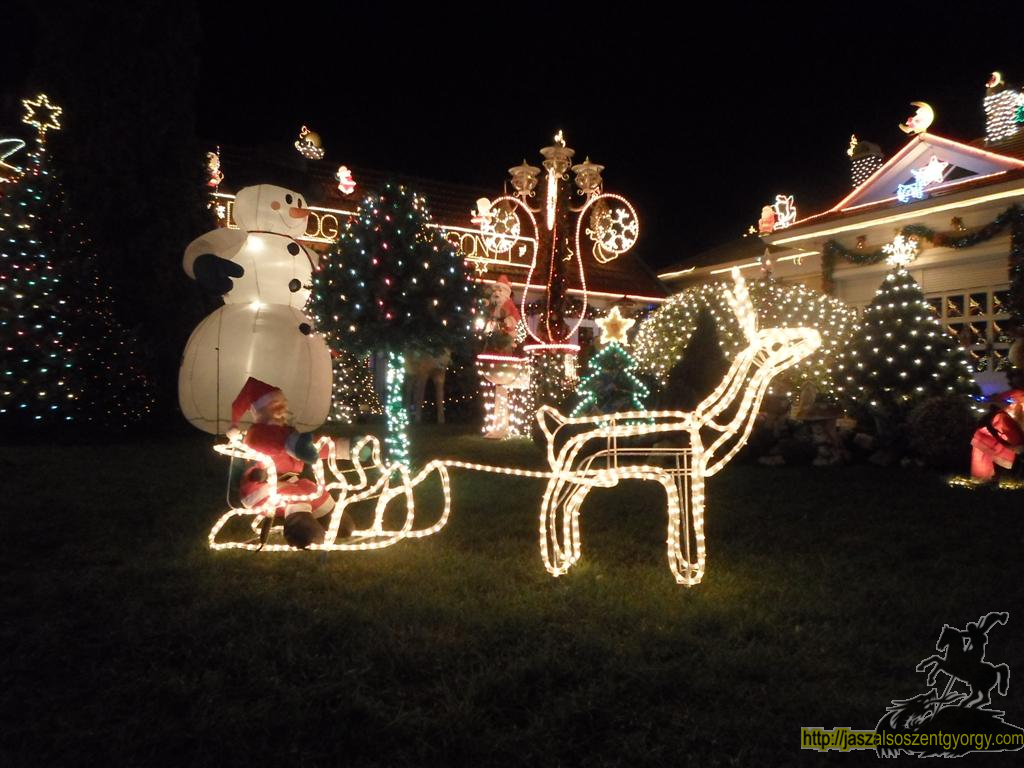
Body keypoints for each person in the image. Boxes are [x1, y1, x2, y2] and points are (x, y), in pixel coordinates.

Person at [230, 377, 354, 547]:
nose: (282, 410)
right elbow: (278, 443)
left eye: (284, 405)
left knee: (311, 488)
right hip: (260, 488)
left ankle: (334, 521)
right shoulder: (258, 434)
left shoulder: (288, 433)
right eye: (275, 406)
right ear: (261, 410)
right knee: (295, 494)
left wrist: (344, 448)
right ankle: (301, 532)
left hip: (288, 481)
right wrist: (295, 445)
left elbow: (314, 446)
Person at [970, 388, 1024, 482]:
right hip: (1003, 433)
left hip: (1007, 434)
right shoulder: (1007, 415)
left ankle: (992, 479)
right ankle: (989, 479)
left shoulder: (1012, 410)